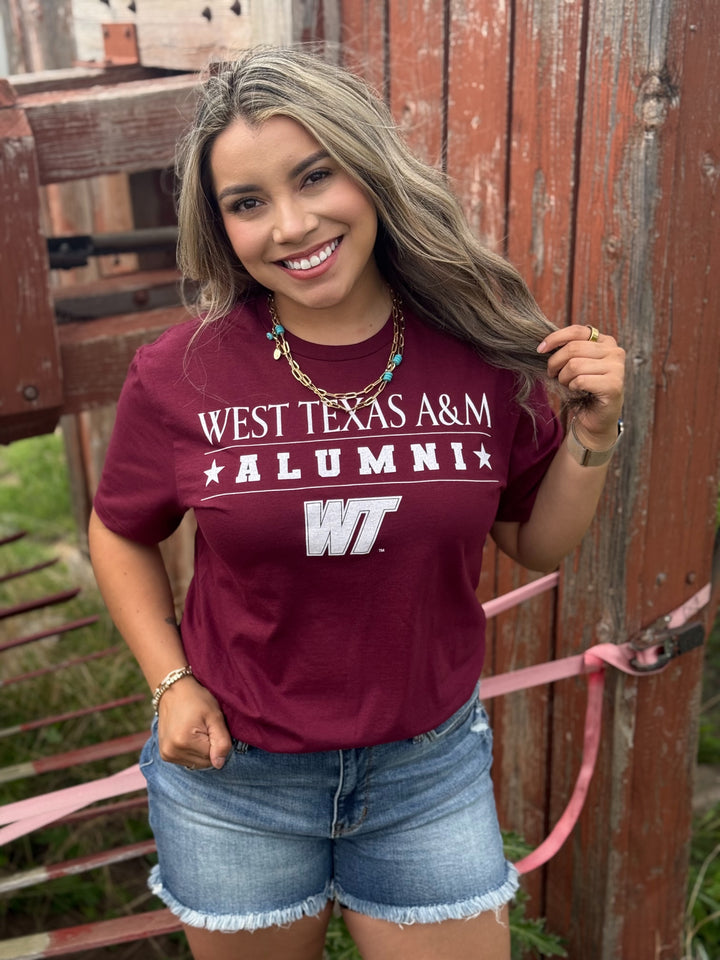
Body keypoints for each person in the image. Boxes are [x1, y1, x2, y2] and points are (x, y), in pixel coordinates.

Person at [88, 46, 625, 960]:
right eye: (247, 203)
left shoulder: (479, 351)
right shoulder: (182, 372)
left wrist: (595, 436)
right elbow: (119, 531)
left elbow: (535, 544)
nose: (291, 226)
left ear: (369, 170)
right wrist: (170, 684)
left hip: (428, 771)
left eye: (314, 177)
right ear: (220, 226)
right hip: (236, 780)